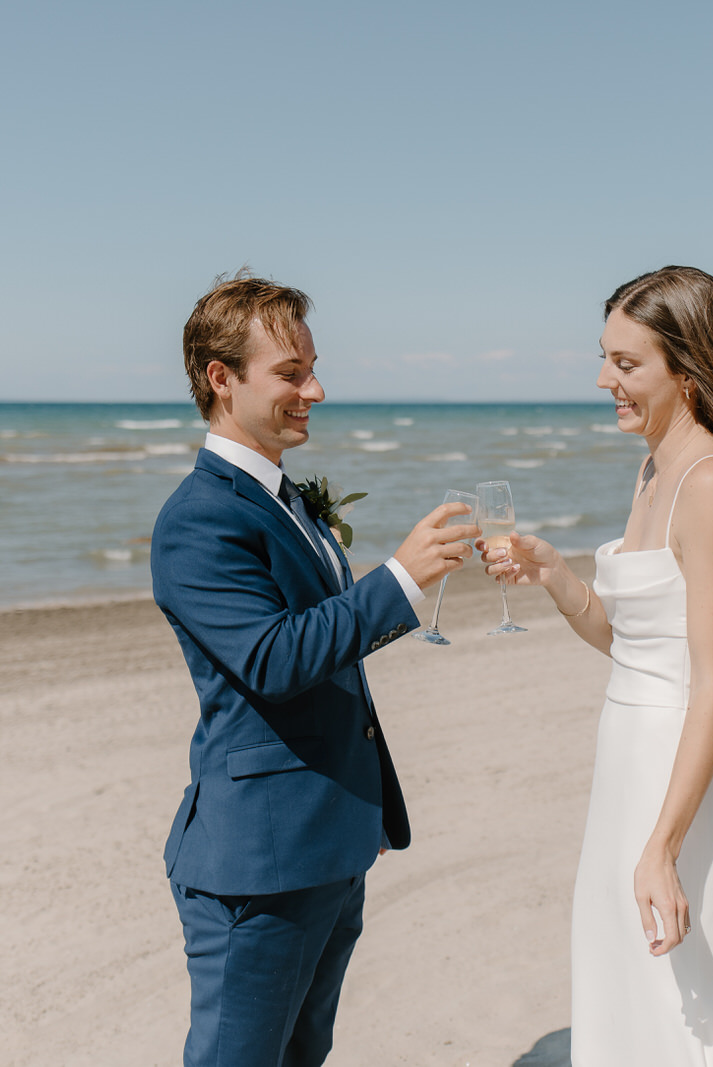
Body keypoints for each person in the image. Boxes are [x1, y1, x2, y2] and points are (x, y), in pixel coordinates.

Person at [485, 266, 713, 1066]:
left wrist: (663, 845)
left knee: (701, 1017)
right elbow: (632, 645)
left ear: (689, 369)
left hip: (686, 790)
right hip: (626, 773)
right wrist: (556, 575)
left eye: (626, 364)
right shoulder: (651, 468)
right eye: (605, 357)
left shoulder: (711, 484)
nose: (605, 379)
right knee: (635, 1006)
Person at [151, 271, 477, 1067]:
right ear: (220, 379)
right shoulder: (198, 520)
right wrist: (399, 580)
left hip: (329, 838)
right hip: (258, 861)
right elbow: (270, 658)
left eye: (312, 367)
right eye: (291, 374)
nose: (316, 389)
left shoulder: (284, 498)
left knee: (303, 1055)